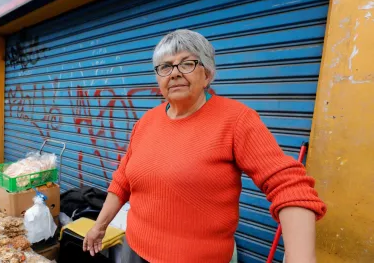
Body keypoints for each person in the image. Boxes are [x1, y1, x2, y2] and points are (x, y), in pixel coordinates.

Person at [83, 30, 327, 263]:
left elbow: (289, 187)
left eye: (187, 63)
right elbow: (123, 180)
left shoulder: (236, 120)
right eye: (165, 67)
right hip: (135, 250)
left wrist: (300, 257)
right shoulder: (146, 122)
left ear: (207, 74)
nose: (175, 73)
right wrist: (99, 226)